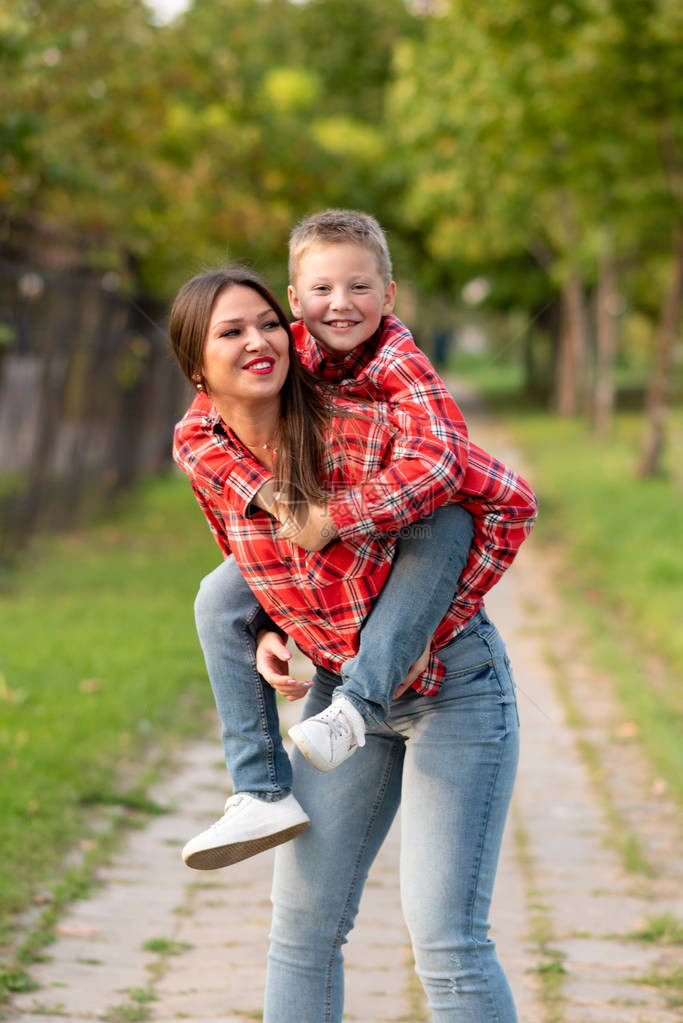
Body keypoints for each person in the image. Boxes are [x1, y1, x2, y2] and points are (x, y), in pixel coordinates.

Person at [168, 264, 527, 1020]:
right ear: (198, 368)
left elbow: (485, 503)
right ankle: (256, 789)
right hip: (337, 696)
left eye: (267, 324)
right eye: (232, 332)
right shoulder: (207, 448)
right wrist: (269, 621)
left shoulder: (356, 427)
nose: (260, 341)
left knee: (446, 942)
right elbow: (251, 556)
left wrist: (433, 619)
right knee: (300, 932)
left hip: (451, 689)